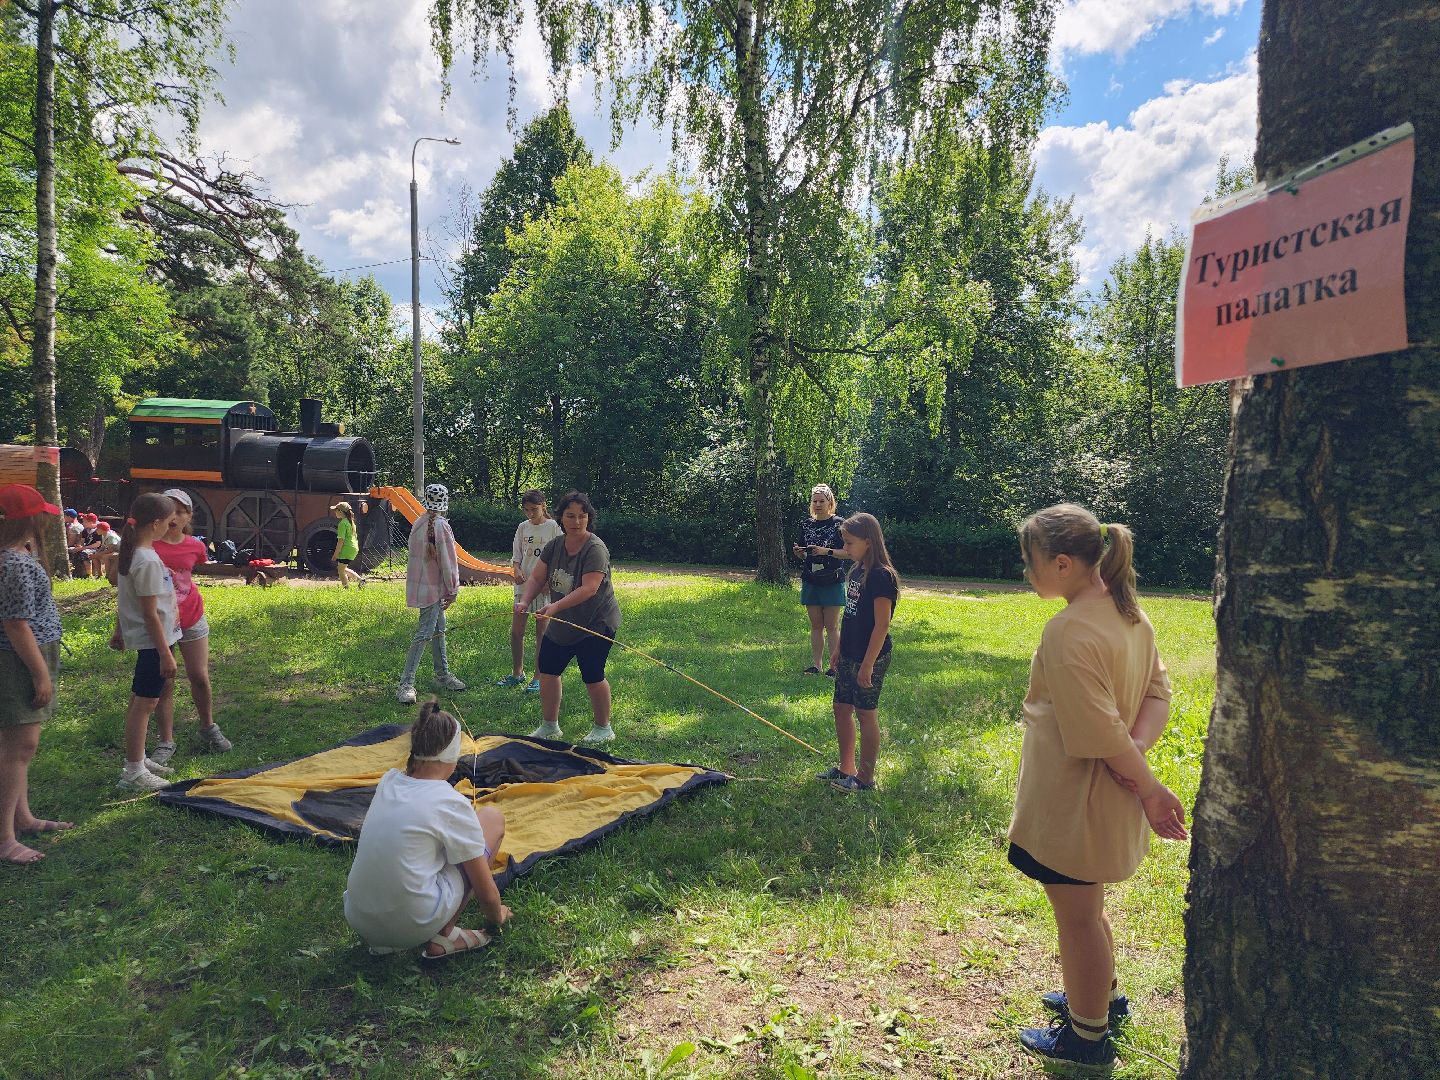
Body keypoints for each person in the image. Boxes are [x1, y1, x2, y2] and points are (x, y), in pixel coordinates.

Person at [1008, 503, 1188, 1073]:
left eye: (1029, 561)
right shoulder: (1130, 613)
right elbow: (1157, 697)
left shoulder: (1068, 630)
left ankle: (1087, 1038)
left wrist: (1149, 785)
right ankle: (1104, 997)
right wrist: (1137, 755)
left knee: (1078, 917)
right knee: (1087, 906)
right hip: (1107, 791)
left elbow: (1097, 730)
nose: (1026, 572)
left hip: (1075, 800)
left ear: (1063, 564)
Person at [343, 701, 511, 959]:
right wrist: (495, 918)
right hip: (412, 923)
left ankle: (414, 927)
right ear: (452, 756)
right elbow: (486, 893)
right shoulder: (450, 804)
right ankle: (444, 936)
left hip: (359, 918)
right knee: (491, 818)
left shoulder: (389, 780)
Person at [0, 485, 73, 864]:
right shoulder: (15, 563)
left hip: (23, 655)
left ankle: (22, 818)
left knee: (18, 744)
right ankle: (5, 838)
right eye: (40, 512)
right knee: (19, 746)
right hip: (19, 659)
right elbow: (15, 624)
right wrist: (40, 674)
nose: (47, 517)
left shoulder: (16, 556)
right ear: (25, 520)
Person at [513, 490, 621, 744]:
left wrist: (554, 607)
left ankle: (603, 728)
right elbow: (538, 577)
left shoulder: (595, 548)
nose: (576, 521)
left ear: (588, 518)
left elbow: (589, 588)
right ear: (561, 518)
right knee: (548, 669)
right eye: (570, 516)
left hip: (596, 622)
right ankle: (550, 726)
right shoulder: (555, 545)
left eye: (582, 516)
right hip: (565, 620)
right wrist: (525, 601)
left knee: (593, 674)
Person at [148, 489, 232, 764]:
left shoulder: (196, 546)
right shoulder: (148, 545)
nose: (173, 517)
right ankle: (165, 741)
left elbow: (193, 570)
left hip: (193, 617)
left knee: (199, 676)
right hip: (161, 622)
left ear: (189, 516)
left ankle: (208, 727)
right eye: (168, 510)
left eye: (180, 511)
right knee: (165, 682)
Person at [109, 492, 183, 791]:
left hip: (152, 642)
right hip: (156, 643)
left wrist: (119, 630)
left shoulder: (133, 553)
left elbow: (127, 600)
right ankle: (133, 772)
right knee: (146, 703)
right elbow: (150, 614)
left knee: (139, 699)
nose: (171, 526)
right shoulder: (147, 560)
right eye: (169, 521)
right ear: (155, 523)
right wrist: (166, 654)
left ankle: (137, 757)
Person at [821, 513, 898, 794]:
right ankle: (846, 768)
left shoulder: (881, 576)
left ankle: (865, 779)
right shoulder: (856, 571)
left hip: (871, 657)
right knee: (841, 708)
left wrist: (867, 665)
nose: (846, 548)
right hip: (849, 653)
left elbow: (882, 625)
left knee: (866, 715)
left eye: (850, 543)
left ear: (868, 541)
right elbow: (849, 617)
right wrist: (839, 648)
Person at [398, 484, 466, 705]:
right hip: (432, 590)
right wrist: (453, 589)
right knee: (424, 634)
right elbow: (448, 562)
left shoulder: (419, 522)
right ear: (445, 503)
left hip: (424, 587)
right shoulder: (441, 527)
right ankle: (406, 685)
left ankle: (442, 674)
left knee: (438, 631)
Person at [496, 490, 561, 693]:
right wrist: (516, 570)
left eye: (534, 509)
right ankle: (517, 673)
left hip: (543, 586)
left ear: (543, 505)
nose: (530, 513)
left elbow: (559, 557)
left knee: (541, 632)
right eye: (526, 510)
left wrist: (548, 582)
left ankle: (538, 676)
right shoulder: (522, 527)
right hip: (523, 586)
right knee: (517, 632)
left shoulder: (553, 528)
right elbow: (517, 555)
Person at [791, 484, 848, 676]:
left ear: (830, 503)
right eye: (814, 501)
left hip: (832, 578)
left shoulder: (839, 524)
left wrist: (827, 551)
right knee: (816, 625)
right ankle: (816, 665)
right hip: (811, 578)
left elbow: (848, 553)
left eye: (821, 501)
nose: (817, 504)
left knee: (831, 625)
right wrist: (799, 553)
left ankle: (835, 667)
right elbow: (804, 552)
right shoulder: (806, 524)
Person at [330, 501, 364, 589]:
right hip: (354, 548)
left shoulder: (342, 523)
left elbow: (340, 541)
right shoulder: (351, 522)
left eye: (336, 510)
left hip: (347, 548)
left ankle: (346, 588)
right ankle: (361, 580)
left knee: (340, 570)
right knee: (343, 568)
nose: (335, 512)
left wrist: (335, 555)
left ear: (340, 511)